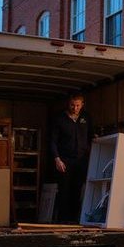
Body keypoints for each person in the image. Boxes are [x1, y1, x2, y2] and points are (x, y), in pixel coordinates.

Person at [49, 93, 95, 223]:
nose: (75, 108)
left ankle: (74, 221)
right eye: (72, 105)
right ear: (68, 104)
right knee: (64, 190)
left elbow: (91, 136)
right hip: (65, 160)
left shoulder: (86, 118)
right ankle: (62, 221)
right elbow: (52, 141)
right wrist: (57, 159)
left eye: (77, 105)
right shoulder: (60, 118)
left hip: (81, 160)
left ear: (82, 105)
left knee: (77, 189)